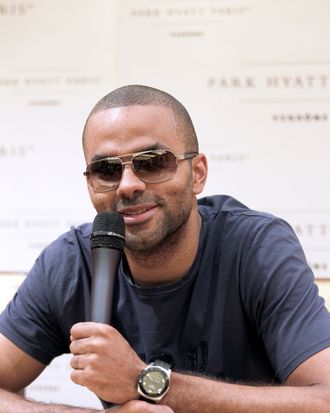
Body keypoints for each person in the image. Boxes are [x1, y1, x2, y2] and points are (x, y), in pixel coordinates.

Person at [0, 84, 330, 413]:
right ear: (90, 183)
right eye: (107, 170)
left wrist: (147, 381)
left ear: (197, 173)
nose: (128, 185)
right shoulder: (70, 263)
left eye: (153, 162)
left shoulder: (256, 248)